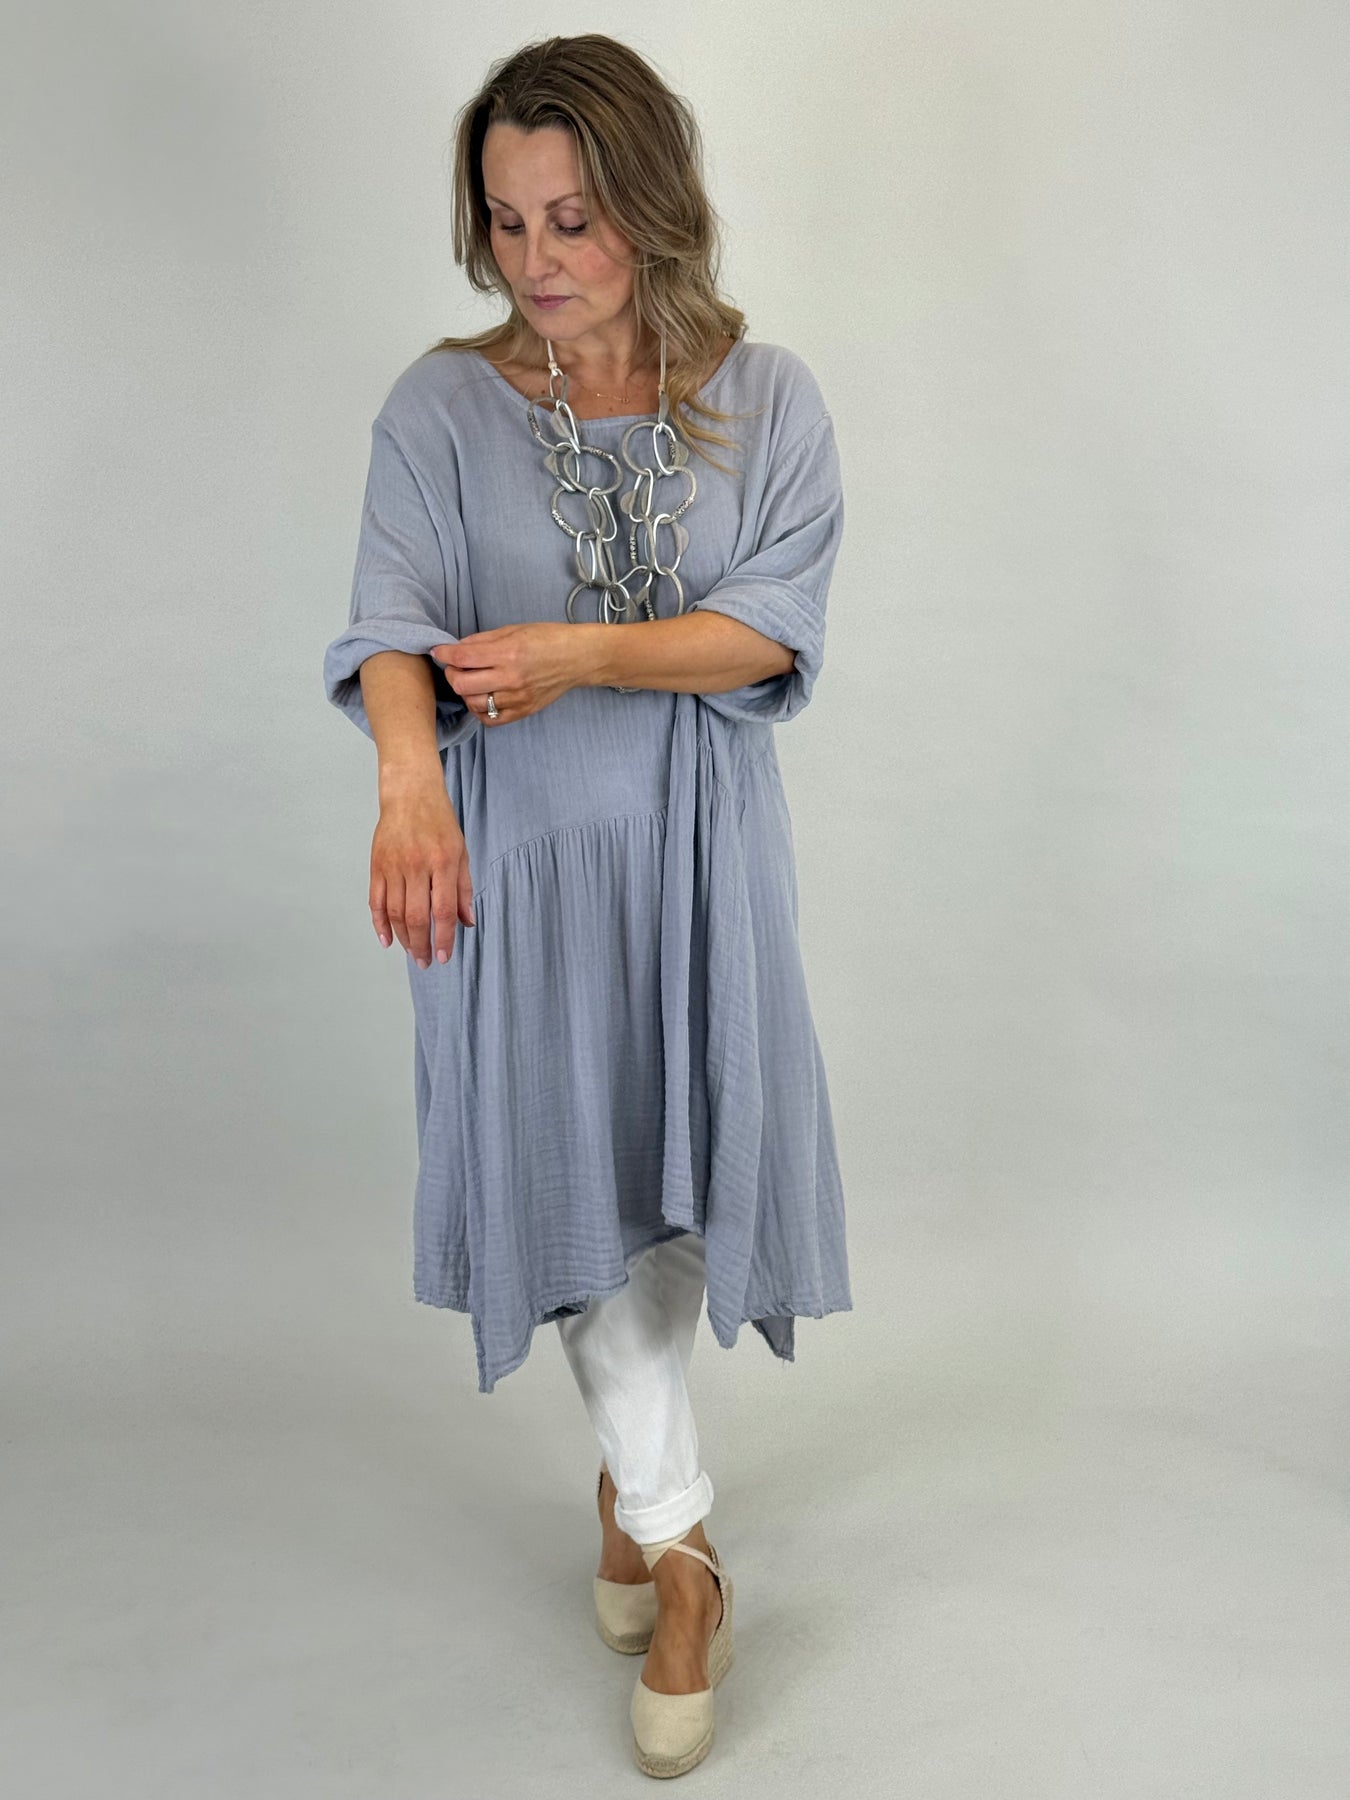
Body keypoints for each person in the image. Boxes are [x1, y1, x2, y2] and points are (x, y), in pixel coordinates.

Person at [321, 32, 852, 1778]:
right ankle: (686, 1557)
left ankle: (630, 1495)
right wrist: (411, 786)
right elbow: (387, 624)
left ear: (649, 203)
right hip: (518, 861)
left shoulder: (766, 398)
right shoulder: (438, 407)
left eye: (572, 218)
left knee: (676, 1172)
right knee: (561, 1179)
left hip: (699, 849)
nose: (537, 259)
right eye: (505, 220)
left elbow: (768, 630)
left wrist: (584, 655)